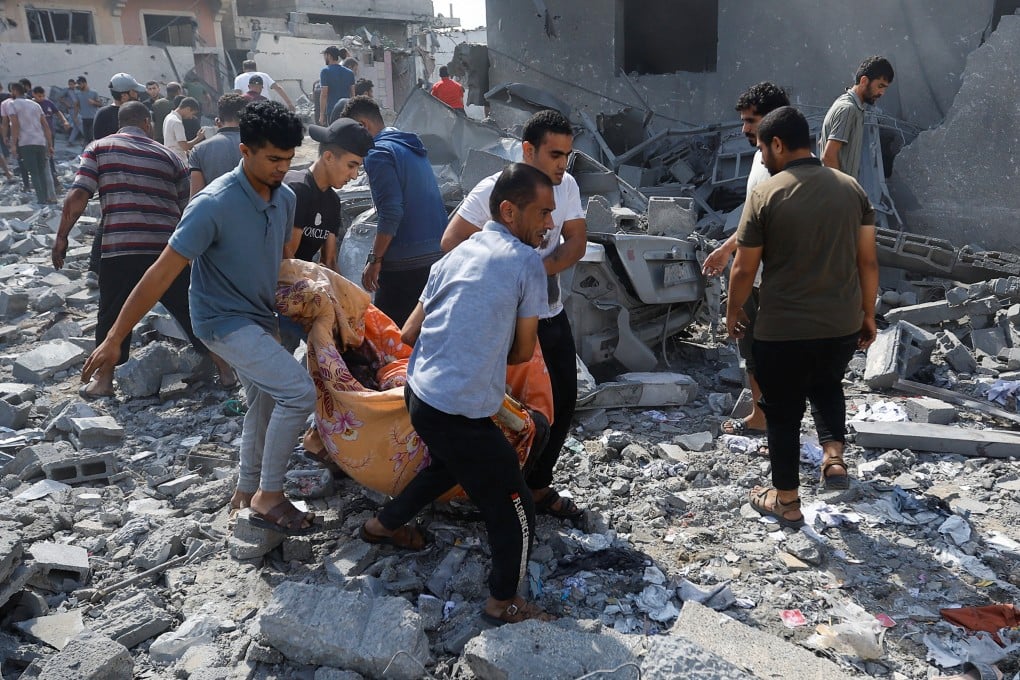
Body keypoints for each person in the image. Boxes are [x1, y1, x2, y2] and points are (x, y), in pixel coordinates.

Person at [79, 101, 318, 535]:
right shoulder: (213, 203)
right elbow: (159, 274)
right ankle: (270, 496)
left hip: (261, 319)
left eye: (288, 160)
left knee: (266, 400)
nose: (282, 169)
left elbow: (280, 260)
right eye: (273, 159)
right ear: (245, 151)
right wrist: (115, 338)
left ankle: (247, 490)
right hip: (221, 321)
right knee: (299, 394)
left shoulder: (285, 199)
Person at [361, 162, 555, 626]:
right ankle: (502, 602)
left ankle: (381, 526)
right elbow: (525, 351)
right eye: (543, 213)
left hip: (421, 394)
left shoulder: (452, 256)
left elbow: (408, 332)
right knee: (515, 503)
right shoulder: (527, 262)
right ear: (509, 211)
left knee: (446, 463)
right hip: (460, 407)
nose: (549, 224)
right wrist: (485, 337)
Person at [726, 106, 878, 527]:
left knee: (783, 411)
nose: (761, 157)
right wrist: (869, 315)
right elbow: (868, 263)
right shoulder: (852, 190)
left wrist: (733, 311)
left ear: (777, 144)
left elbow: (743, 267)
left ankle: (787, 501)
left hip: (783, 330)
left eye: (761, 147)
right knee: (828, 383)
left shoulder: (765, 194)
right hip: (841, 324)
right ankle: (833, 458)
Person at [441, 109, 586, 521]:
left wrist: (536, 272)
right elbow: (451, 243)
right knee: (503, 410)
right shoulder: (493, 189)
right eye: (555, 154)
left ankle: (537, 488)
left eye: (568, 155)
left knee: (562, 403)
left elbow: (576, 239)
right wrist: (505, 281)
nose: (563, 164)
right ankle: (493, 493)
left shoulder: (567, 186)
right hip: (506, 322)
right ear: (528, 150)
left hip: (550, 313)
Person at [52, 101, 234, 398]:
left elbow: (77, 196)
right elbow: (186, 207)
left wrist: (62, 237)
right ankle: (226, 370)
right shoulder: (169, 156)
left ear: (120, 124)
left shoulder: (98, 148)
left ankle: (105, 380)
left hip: (119, 247)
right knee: (190, 311)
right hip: (166, 252)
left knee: (111, 314)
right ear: (148, 124)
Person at [701, 81, 790, 437]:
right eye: (744, 120)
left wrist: (730, 256)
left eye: (752, 120)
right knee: (751, 347)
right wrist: (726, 248)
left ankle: (779, 424)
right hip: (756, 273)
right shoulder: (759, 157)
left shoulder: (783, 166)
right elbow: (753, 217)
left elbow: (766, 225)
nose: (745, 128)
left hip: (772, 276)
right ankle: (761, 416)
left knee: (773, 352)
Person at [341, 96, 447, 327]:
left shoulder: (378, 153)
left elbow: (391, 211)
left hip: (407, 263)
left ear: (363, 126)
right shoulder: (408, 145)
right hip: (437, 255)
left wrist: (375, 259)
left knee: (388, 336)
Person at [283, 117, 373, 269]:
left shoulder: (332, 201)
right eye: (351, 166)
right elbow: (287, 260)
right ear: (328, 157)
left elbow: (329, 261)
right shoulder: (298, 189)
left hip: (300, 283)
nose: (354, 176)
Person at [819, 56, 895, 180]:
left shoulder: (850, 106)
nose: (882, 93)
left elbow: (821, 144)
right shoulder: (848, 109)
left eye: (885, 88)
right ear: (864, 81)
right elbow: (828, 156)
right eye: (880, 86)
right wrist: (845, 191)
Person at [189, 93, 246, 198]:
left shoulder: (199, 150)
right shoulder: (261, 145)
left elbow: (195, 197)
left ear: (217, 121)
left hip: (216, 212)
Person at [5, 81, 54, 204]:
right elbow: (46, 126)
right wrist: (50, 144)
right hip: (40, 141)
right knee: (42, 171)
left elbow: (15, 125)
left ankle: (41, 200)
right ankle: (47, 198)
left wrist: (13, 144)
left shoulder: (12, 104)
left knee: (34, 173)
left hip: (26, 142)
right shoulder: (35, 105)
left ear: (15, 91)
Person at [31, 86, 70, 191]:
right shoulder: (31, 105)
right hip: (37, 136)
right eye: (39, 96)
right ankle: (44, 182)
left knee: (50, 156)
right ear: (33, 95)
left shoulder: (48, 103)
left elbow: (57, 112)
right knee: (41, 158)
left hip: (50, 135)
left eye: (43, 96)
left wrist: (64, 121)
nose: (42, 98)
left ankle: (54, 181)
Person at [92, 73, 146, 140]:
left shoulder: (102, 114)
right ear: (124, 96)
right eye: (134, 92)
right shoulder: (104, 115)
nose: (137, 94)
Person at [318, 46, 355, 126]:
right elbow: (353, 95)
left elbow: (324, 94)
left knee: (333, 136)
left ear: (329, 56)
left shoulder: (325, 72)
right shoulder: (350, 73)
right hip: (347, 111)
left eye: (325, 55)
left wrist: (321, 115)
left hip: (332, 112)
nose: (324, 58)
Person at [162, 97, 205, 161]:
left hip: (170, 157)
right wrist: (198, 138)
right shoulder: (177, 122)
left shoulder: (168, 117)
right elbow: (184, 146)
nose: (191, 117)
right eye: (192, 114)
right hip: (178, 160)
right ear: (188, 109)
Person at [74, 76, 102, 145]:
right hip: (84, 119)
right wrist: (75, 116)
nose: (79, 86)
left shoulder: (94, 92)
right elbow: (77, 105)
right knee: (86, 138)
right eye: (78, 84)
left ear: (85, 83)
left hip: (93, 119)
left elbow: (100, 104)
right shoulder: (78, 94)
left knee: (92, 137)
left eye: (80, 84)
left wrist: (94, 102)